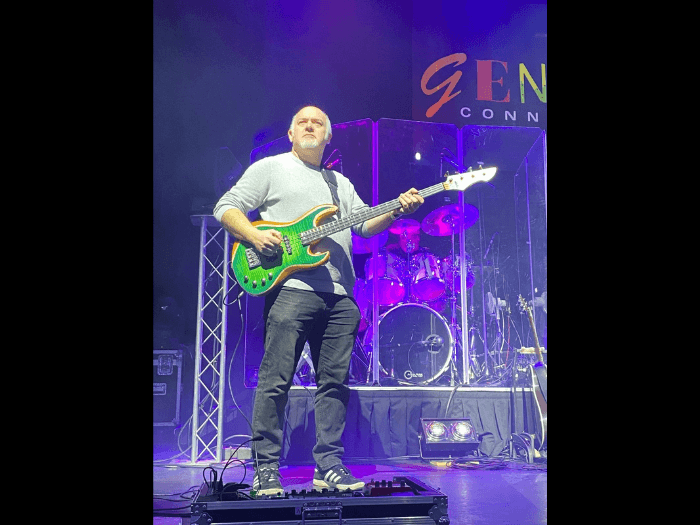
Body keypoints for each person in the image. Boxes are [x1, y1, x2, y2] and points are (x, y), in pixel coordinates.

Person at [213, 106, 424, 495]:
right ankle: (266, 469)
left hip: (340, 296)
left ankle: (328, 465)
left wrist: (395, 210)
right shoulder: (271, 168)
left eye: (319, 123)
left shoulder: (338, 182)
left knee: (335, 384)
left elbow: (364, 225)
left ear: (328, 137)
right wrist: (254, 236)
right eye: (302, 122)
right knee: (275, 382)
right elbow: (226, 206)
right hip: (291, 290)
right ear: (292, 134)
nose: (310, 126)